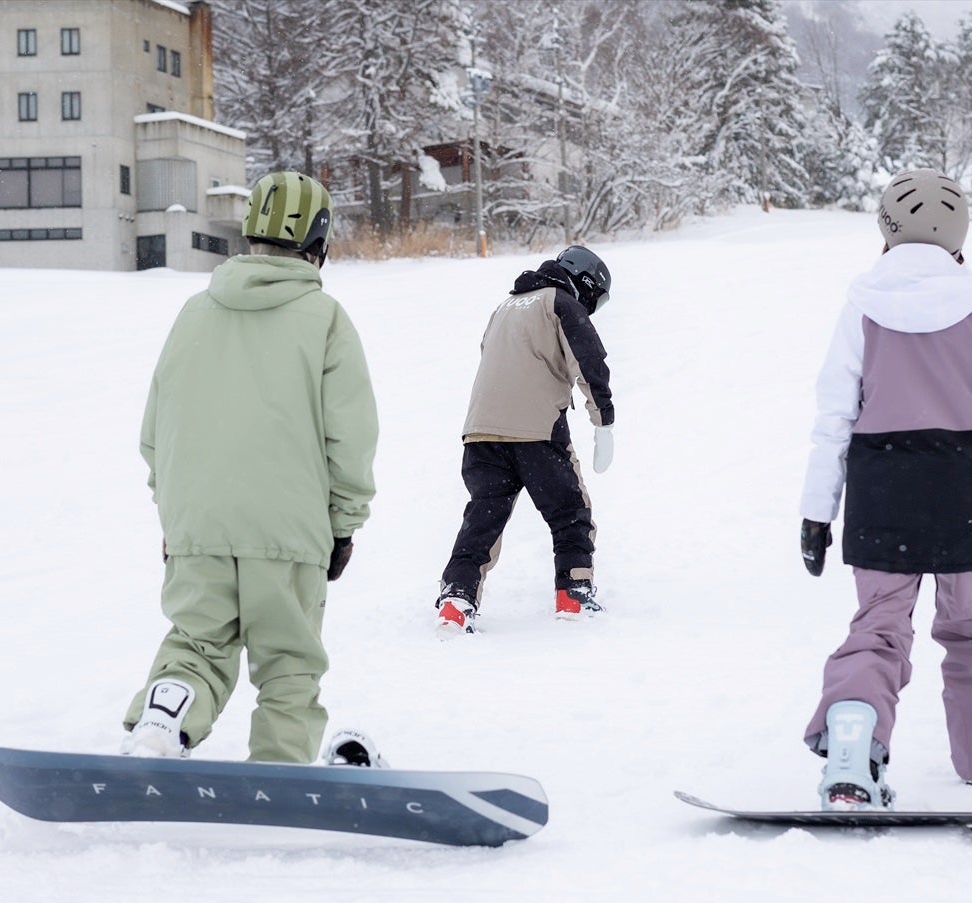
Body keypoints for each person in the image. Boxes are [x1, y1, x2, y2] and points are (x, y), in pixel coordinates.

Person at [120, 171, 379, 764]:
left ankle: (163, 720)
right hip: (288, 527)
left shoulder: (193, 313)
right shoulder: (326, 320)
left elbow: (156, 431)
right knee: (289, 660)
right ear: (319, 245)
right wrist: (344, 525)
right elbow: (352, 437)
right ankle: (280, 771)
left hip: (197, 524)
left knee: (195, 643)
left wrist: (175, 516)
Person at [798, 168, 972, 810]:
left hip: (885, 486)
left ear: (886, 229)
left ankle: (852, 741)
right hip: (970, 490)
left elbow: (833, 421)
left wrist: (817, 513)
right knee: (971, 629)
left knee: (878, 629)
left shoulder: (862, 307)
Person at [435, 246, 615, 636]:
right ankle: (574, 592)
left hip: (480, 433)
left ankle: (456, 600)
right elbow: (589, 361)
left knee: (483, 520)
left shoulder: (504, 306)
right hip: (536, 433)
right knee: (570, 511)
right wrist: (604, 421)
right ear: (586, 283)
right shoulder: (561, 303)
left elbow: (490, 356)